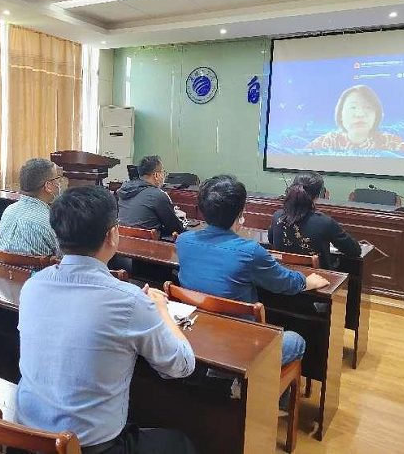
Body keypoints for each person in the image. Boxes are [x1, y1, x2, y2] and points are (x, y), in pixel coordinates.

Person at [16, 186, 198, 454]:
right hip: (86, 448)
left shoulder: (33, 285)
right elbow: (181, 365)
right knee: (181, 443)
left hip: (26, 438)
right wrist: (159, 308)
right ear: (112, 234)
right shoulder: (129, 300)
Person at [176, 175, 329, 373]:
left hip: (197, 330)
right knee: (296, 340)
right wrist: (306, 281)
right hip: (239, 345)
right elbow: (285, 282)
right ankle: (255, 389)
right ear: (240, 213)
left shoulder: (183, 241)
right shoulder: (249, 251)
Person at [269, 172, 361, 270]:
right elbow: (354, 251)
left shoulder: (277, 216)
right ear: (317, 195)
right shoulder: (324, 222)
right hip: (315, 277)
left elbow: (271, 240)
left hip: (282, 275)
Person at [306, 85, 404, 151]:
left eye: (368, 107)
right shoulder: (328, 141)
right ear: (340, 114)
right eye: (352, 107)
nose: (360, 114)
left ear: (376, 115)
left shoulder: (391, 142)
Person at [0, 158, 63, 257]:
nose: (59, 183)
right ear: (48, 186)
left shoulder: (8, 211)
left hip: (0, 266)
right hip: (37, 268)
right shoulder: (51, 221)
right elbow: (63, 259)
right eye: (57, 179)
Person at [116, 155, 185, 238]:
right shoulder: (158, 195)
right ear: (156, 175)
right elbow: (177, 229)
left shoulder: (124, 190)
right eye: (163, 172)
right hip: (148, 244)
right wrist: (181, 219)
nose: (164, 176)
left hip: (123, 241)